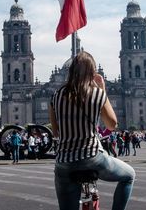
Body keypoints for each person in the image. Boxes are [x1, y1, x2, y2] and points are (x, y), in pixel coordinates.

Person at [49, 51, 135, 210]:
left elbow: (56, 133)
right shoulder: (97, 94)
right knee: (129, 176)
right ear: (92, 72)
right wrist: (102, 90)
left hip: (64, 162)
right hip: (92, 157)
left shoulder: (56, 96)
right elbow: (112, 124)